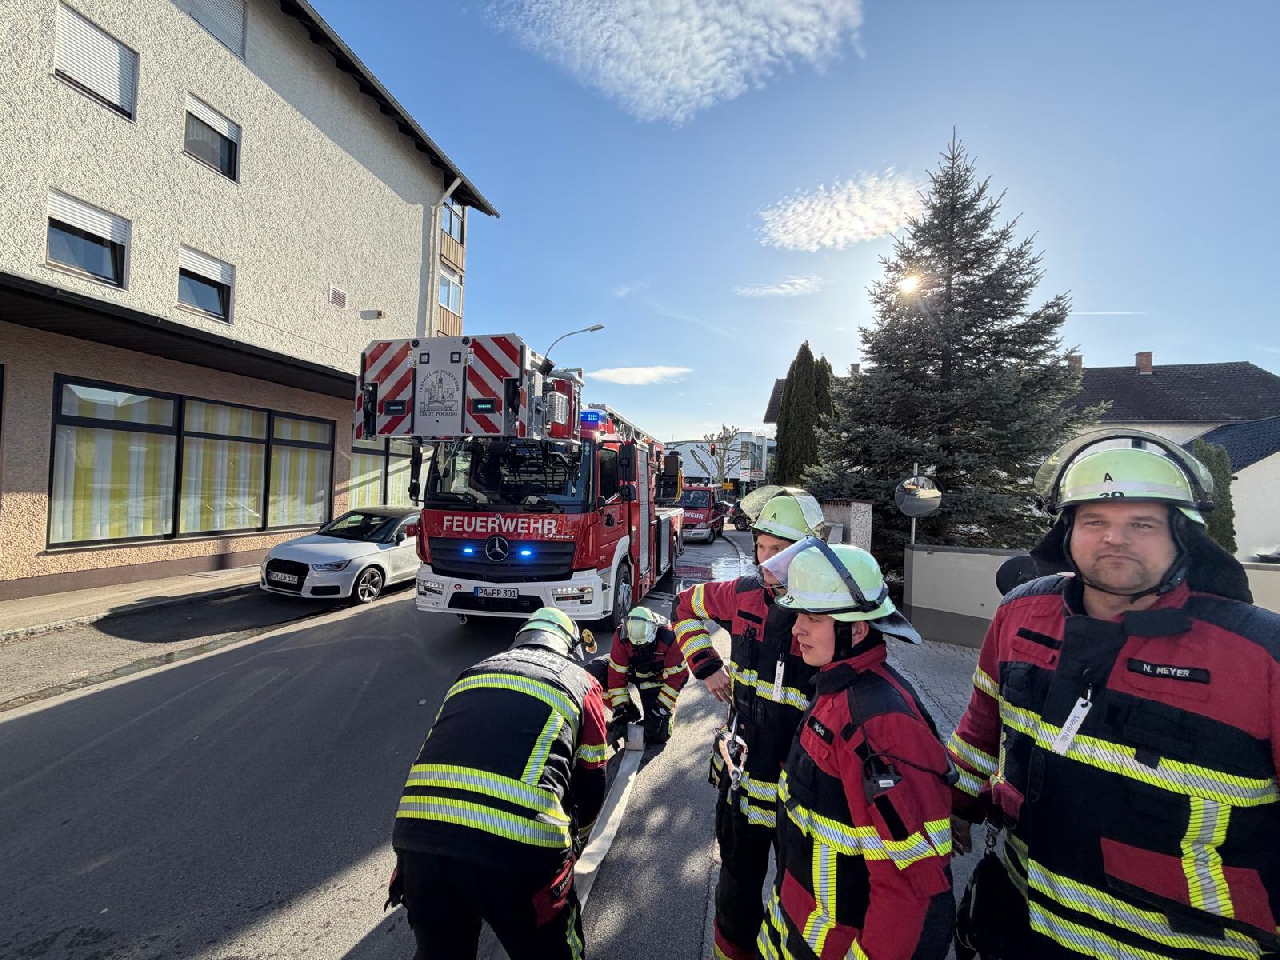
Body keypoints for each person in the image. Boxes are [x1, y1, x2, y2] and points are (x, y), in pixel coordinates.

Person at [947, 430, 1280, 959]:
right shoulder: (1021, 615)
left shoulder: (1260, 653)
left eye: (1142, 524)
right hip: (1020, 919)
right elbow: (982, 726)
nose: (1114, 539)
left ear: (1183, 535)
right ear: (1067, 532)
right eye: (1094, 521)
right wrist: (958, 804)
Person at [755, 537, 955, 960]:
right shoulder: (836, 690)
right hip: (798, 929)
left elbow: (910, 890)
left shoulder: (880, 724)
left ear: (857, 630)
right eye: (798, 614)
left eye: (813, 618)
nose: (796, 629)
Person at [388, 608, 608, 960]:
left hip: (419, 842)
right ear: (569, 648)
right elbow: (592, 778)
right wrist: (577, 840)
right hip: (520, 852)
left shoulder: (472, 674)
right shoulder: (580, 683)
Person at [672, 491, 826, 960]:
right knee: (736, 888)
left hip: (800, 790)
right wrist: (706, 665)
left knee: (799, 898)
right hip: (743, 778)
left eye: (779, 550)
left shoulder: (827, 608)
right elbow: (683, 607)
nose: (766, 561)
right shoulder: (742, 594)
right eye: (761, 547)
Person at [588, 605, 689, 746]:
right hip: (631, 670)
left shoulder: (670, 637)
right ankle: (629, 712)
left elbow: (678, 678)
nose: (641, 649)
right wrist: (619, 712)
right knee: (593, 674)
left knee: (658, 735)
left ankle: (667, 712)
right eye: (636, 646)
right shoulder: (622, 635)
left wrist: (660, 710)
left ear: (653, 631)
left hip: (654, 679)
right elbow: (616, 676)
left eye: (645, 645)